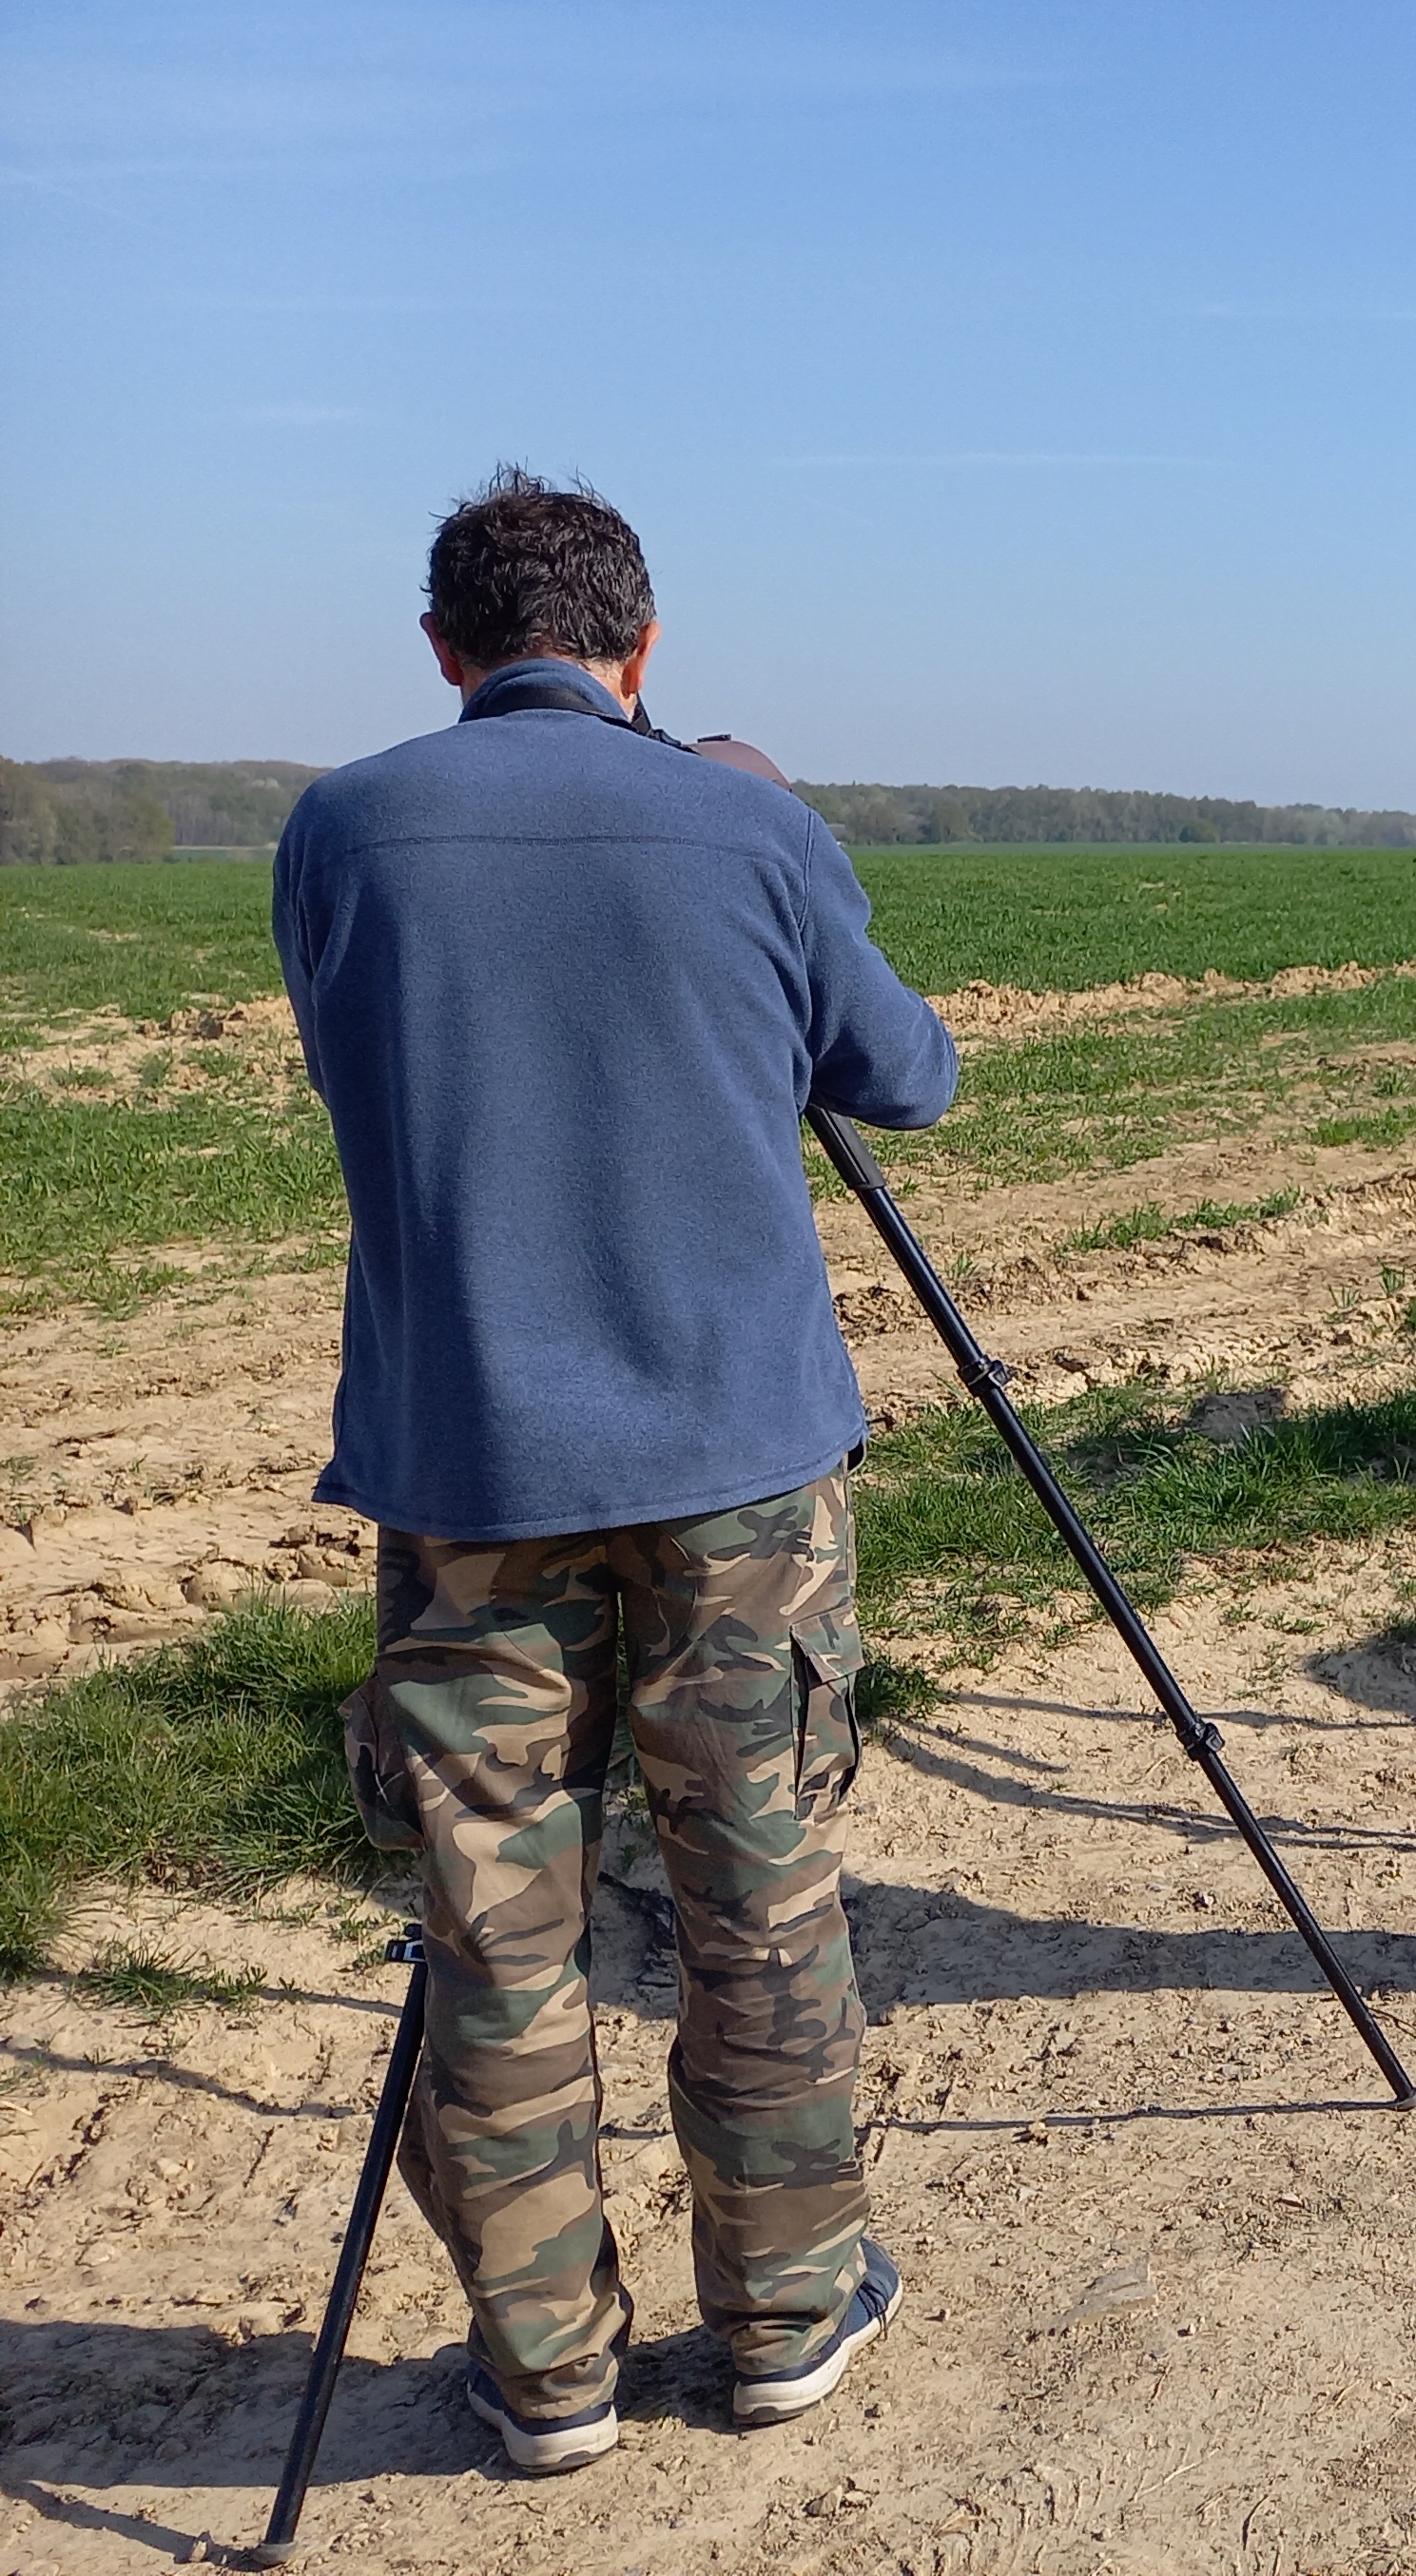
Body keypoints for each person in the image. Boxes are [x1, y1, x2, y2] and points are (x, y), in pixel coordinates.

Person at [274, 472, 956, 2473]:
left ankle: (546, 2367)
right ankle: (785, 2316)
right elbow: (904, 1072)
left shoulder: (345, 827)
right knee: (756, 1894)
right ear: (641, 649)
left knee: (494, 1923)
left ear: (444, 652)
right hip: (740, 1466)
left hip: (466, 1468)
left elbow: (361, 1058)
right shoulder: (743, 820)